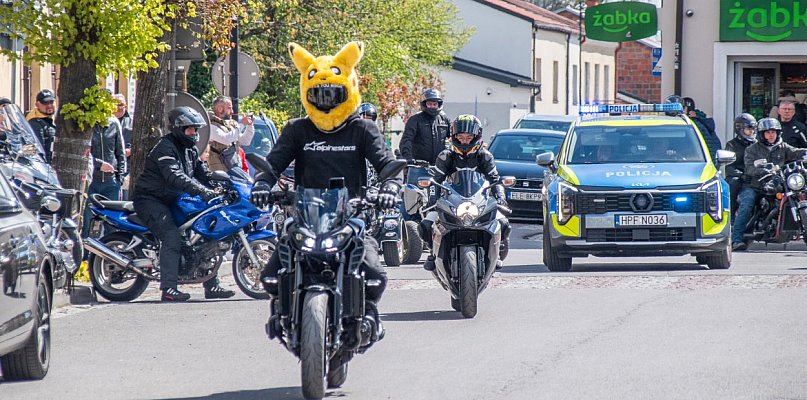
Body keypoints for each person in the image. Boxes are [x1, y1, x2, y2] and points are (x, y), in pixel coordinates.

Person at [250, 41, 400, 337]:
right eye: (319, 93)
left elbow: (387, 165)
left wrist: (390, 188)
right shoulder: (297, 129)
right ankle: (280, 313)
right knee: (269, 276)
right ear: (307, 94)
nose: (326, 100)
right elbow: (273, 163)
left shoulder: (363, 129)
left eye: (332, 93)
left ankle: (369, 316)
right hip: (306, 214)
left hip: (351, 214)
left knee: (375, 274)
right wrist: (263, 184)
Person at [131, 106, 233, 301]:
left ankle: (212, 285)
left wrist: (223, 184)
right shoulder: (165, 148)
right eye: (190, 129)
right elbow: (175, 176)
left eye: (195, 129)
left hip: (173, 199)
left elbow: (203, 174)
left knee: (203, 234)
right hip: (151, 199)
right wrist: (202, 191)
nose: (194, 133)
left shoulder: (190, 150)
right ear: (178, 128)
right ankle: (168, 289)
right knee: (172, 236)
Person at [420, 114, 510, 272]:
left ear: (476, 137)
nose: (464, 141)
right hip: (451, 201)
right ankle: (432, 254)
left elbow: (495, 179)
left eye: (469, 137)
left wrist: (501, 199)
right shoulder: (446, 156)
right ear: (453, 137)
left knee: (504, 224)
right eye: (460, 137)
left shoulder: (485, 156)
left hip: (479, 201)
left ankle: (497, 253)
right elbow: (435, 180)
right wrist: (432, 201)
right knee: (426, 225)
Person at [731, 118, 807, 251]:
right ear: (762, 134)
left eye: (773, 132)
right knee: (747, 203)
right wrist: (762, 170)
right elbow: (749, 167)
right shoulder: (752, 149)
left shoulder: (783, 146)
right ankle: (736, 239)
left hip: (778, 182)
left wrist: (805, 153)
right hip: (755, 185)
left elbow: (796, 152)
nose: (771, 135)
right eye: (767, 132)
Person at [81, 110, 126, 239]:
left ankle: (110, 254)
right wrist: (99, 165)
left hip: (110, 183)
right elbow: (83, 154)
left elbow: (120, 153)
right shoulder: (87, 124)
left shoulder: (114, 123)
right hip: (91, 181)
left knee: (112, 223)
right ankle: (85, 256)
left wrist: (119, 178)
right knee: (87, 221)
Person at [399, 88, 451, 165]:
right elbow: (406, 140)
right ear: (424, 104)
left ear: (439, 104)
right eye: (429, 104)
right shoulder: (415, 120)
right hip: (417, 166)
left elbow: (455, 137)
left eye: (434, 104)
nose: (432, 106)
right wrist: (408, 158)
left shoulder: (445, 120)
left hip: (440, 166)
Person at [207, 96, 255, 172]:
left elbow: (245, 141)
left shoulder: (231, 125)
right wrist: (242, 124)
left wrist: (249, 125)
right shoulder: (211, 126)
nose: (232, 111)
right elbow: (226, 139)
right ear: (220, 109)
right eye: (229, 108)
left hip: (234, 170)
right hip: (219, 174)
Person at [724, 113, 757, 215]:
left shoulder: (758, 144)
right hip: (740, 176)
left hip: (755, 175)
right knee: (733, 183)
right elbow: (729, 167)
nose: (751, 132)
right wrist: (741, 175)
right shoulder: (731, 145)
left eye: (753, 129)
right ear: (739, 129)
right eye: (748, 129)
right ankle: (731, 213)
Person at [112, 94, 134, 199]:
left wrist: (131, 150)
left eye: (123, 105)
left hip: (127, 167)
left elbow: (140, 144)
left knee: (125, 197)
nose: (121, 107)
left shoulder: (132, 122)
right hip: (111, 166)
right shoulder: (107, 123)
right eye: (118, 104)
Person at [26, 89, 57, 163]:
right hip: (46, 168)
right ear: (37, 104)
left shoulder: (53, 119)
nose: (49, 105)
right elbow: (39, 150)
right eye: (45, 103)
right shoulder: (34, 122)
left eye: (51, 102)